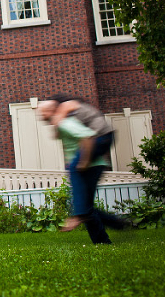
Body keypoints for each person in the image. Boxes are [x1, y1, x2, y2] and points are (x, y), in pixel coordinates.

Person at [37, 97, 125, 244]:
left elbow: (88, 137)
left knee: (75, 176)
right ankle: (108, 234)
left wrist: (83, 161)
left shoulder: (65, 121)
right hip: (96, 163)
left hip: (94, 159)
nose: (40, 116)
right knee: (87, 208)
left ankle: (77, 216)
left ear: (51, 110)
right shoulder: (60, 124)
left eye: (42, 112)